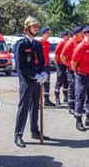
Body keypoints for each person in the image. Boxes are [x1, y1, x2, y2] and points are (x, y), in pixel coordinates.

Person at [13, 16, 48, 147]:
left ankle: (34, 131)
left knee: (35, 107)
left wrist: (43, 72)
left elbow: (42, 62)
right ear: (26, 29)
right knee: (24, 108)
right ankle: (18, 135)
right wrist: (34, 75)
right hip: (26, 81)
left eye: (36, 26)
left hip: (37, 81)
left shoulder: (37, 44)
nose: (36, 28)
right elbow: (20, 66)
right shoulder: (21, 44)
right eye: (33, 26)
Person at [71, 25, 89, 131]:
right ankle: (78, 121)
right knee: (80, 99)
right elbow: (73, 63)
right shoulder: (81, 47)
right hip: (82, 77)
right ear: (87, 34)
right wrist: (78, 73)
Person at [60, 26, 84, 114]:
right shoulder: (70, 43)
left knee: (80, 89)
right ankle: (71, 106)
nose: (83, 34)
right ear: (76, 34)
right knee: (72, 87)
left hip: (81, 70)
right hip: (71, 70)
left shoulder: (82, 42)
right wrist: (68, 64)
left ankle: (79, 106)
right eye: (82, 32)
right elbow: (62, 56)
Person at [38, 27, 56, 106]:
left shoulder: (48, 43)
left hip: (47, 65)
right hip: (41, 66)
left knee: (47, 83)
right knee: (39, 83)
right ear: (43, 34)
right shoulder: (39, 43)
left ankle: (46, 100)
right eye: (47, 33)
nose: (49, 35)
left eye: (49, 33)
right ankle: (37, 102)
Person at [53, 30, 70, 105]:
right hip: (61, 64)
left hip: (66, 64)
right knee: (59, 80)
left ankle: (66, 97)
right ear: (63, 36)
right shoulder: (61, 44)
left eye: (68, 35)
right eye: (67, 35)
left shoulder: (68, 44)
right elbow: (56, 56)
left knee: (66, 81)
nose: (68, 36)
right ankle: (57, 97)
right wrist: (58, 65)